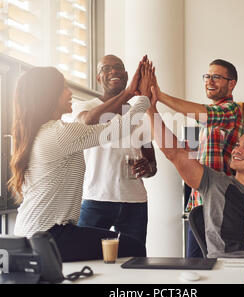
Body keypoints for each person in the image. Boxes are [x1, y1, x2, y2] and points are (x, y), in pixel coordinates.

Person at [8, 60, 154, 262]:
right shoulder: (58, 133)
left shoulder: (37, 133)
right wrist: (143, 97)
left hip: (34, 233)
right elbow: (118, 128)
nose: (69, 93)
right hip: (49, 236)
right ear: (49, 95)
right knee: (133, 247)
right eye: (64, 89)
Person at [147, 86, 244, 259]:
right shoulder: (214, 182)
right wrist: (151, 109)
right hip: (222, 268)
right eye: (237, 145)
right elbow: (173, 152)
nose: (236, 150)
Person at [152, 59, 244, 257]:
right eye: (207, 76)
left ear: (231, 83)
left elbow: (205, 113)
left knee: (218, 266)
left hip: (220, 206)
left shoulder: (232, 110)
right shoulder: (200, 127)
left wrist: (159, 96)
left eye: (217, 77)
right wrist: (151, 108)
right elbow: (184, 157)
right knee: (195, 267)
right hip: (198, 205)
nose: (210, 81)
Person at [71, 55, 157, 249]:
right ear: (98, 78)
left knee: (132, 258)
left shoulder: (139, 113)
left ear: (126, 75)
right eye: (106, 69)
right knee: (85, 255)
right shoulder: (85, 106)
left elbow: (153, 165)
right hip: (96, 199)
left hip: (134, 202)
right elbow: (89, 121)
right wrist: (128, 93)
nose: (113, 71)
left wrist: (147, 167)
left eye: (118, 67)